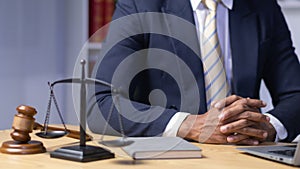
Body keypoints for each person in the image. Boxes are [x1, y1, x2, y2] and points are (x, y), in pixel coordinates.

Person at [87, 0, 300, 144]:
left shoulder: (263, 7)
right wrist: (189, 125)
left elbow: (295, 95)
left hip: (245, 156)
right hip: (169, 157)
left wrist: (267, 128)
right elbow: (99, 104)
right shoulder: (140, 4)